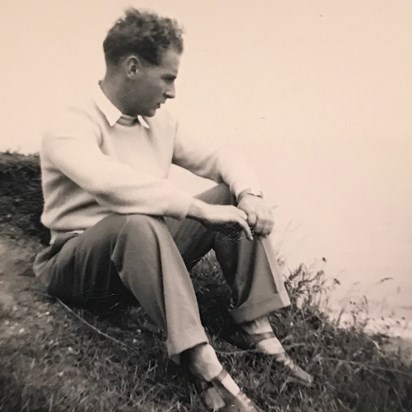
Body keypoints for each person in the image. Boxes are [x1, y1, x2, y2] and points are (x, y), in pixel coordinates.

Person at [33, 8, 312, 412]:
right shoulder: (70, 121)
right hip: (78, 267)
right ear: (132, 67)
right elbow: (107, 183)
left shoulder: (159, 123)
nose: (172, 92)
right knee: (136, 221)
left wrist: (249, 193)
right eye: (168, 78)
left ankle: (253, 323)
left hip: (143, 256)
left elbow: (219, 157)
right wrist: (195, 209)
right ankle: (201, 360)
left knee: (229, 199)